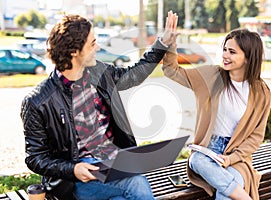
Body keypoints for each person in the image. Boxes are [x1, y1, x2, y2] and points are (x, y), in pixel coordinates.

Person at [20, 11, 177, 200]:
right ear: (74, 52)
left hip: (112, 165)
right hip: (75, 180)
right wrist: (73, 169)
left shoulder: (98, 72)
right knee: (136, 183)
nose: (98, 47)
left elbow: (133, 75)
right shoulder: (37, 101)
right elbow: (35, 157)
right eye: (93, 43)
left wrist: (162, 43)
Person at [162, 28, 271, 199]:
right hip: (207, 152)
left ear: (248, 57)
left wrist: (232, 158)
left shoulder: (261, 92)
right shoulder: (212, 76)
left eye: (232, 52)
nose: (225, 55)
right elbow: (172, 71)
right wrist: (170, 44)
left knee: (227, 191)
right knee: (196, 160)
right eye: (225, 50)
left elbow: (256, 136)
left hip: (237, 157)